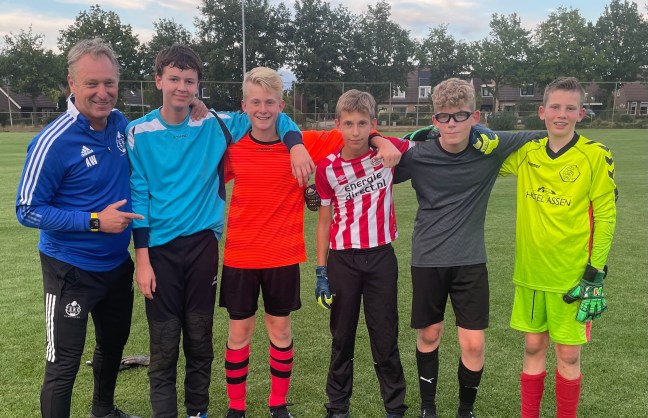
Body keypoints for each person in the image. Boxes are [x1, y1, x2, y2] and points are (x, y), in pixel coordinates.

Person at [126, 47, 302, 418]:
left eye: (189, 81)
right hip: (158, 251)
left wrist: (296, 144)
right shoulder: (138, 131)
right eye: (174, 79)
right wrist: (142, 258)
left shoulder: (215, 123)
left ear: (198, 86)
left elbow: (271, 114)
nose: (181, 87)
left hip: (203, 246)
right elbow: (138, 197)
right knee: (164, 344)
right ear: (158, 80)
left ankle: (198, 412)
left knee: (199, 338)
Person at [219, 68, 401, 418]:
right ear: (244, 105)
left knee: (280, 331)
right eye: (255, 102)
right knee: (239, 333)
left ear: (281, 105)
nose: (262, 109)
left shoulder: (306, 142)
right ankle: (236, 408)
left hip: (283, 255)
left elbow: (353, 131)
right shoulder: (233, 148)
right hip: (240, 255)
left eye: (270, 102)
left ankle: (278, 404)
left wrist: (381, 141)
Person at [396, 78, 542, 418]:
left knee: (474, 343)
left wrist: (592, 171)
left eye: (460, 116)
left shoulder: (491, 149)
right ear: (434, 119)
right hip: (427, 260)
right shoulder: (418, 155)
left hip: (471, 261)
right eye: (443, 117)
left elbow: (544, 135)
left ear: (475, 116)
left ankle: (466, 410)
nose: (452, 124)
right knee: (430, 334)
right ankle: (428, 408)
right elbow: (371, 166)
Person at [15, 38, 143, 418]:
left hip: (116, 267)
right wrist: (94, 221)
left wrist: (198, 105)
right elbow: (27, 210)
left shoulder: (120, 124)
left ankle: (103, 411)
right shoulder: (52, 141)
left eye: (109, 83)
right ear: (72, 83)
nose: (103, 93)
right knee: (63, 364)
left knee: (113, 345)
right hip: (69, 271)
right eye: (92, 83)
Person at [499, 77, 616, 418]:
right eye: (555, 107)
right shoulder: (526, 152)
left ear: (581, 113)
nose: (561, 114)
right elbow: (483, 159)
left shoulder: (595, 155)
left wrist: (595, 272)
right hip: (531, 274)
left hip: (571, 276)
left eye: (570, 108)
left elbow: (606, 216)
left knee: (568, 354)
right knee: (533, 346)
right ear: (542, 112)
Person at [314, 89, 413, 418]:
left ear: (373, 123)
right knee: (341, 338)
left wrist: (382, 141)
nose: (355, 131)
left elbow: (424, 139)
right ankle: (337, 407)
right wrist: (320, 270)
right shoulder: (327, 168)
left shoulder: (386, 153)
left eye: (362, 124)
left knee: (385, 338)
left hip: (381, 258)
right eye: (348, 124)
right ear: (337, 124)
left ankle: (395, 408)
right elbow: (324, 221)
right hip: (343, 261)